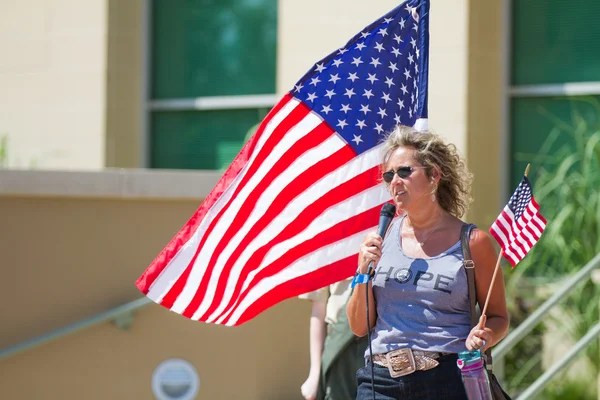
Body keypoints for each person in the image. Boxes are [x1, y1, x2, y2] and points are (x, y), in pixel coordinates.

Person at [346, 125, 509, 399]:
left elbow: (498, 317)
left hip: (446, 379)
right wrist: (363, 271)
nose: (395, 181)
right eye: (389, 175)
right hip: (380, 381)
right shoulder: (379, 239)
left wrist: (486, 337)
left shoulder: (473, 242)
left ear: (434, 175)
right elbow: (359, 326)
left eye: (405, 172)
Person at [300, 278, 369, 400]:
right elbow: (318, 311)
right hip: (338, 347)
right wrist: (315, 373)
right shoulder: (327, 258)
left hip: (377, 345)